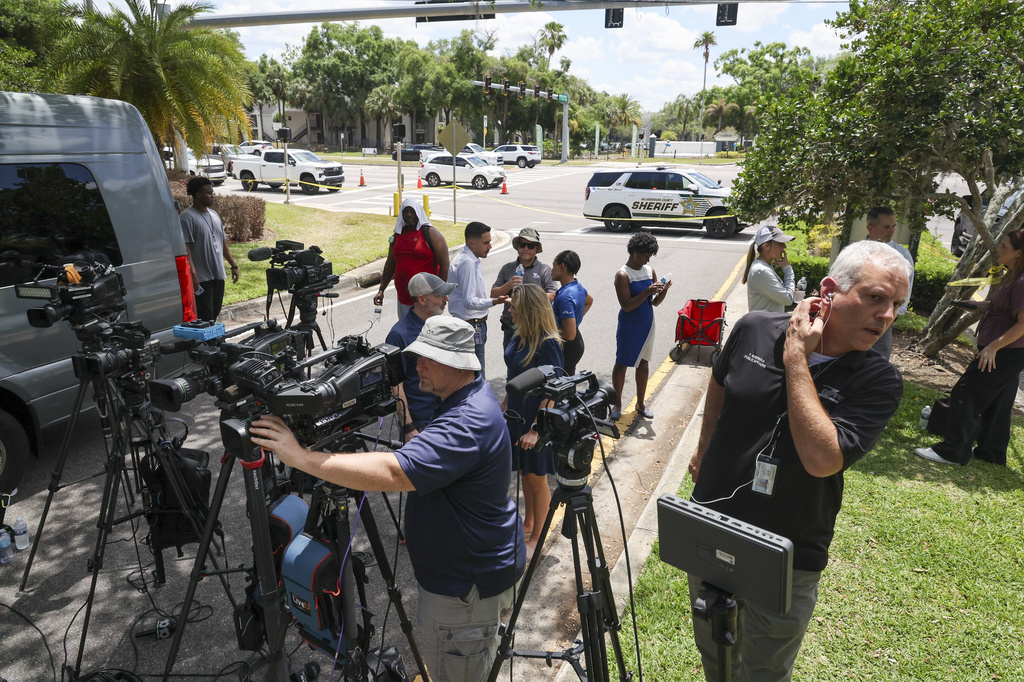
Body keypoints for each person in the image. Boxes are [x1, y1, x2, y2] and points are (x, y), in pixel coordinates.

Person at [248, 316, 525, 682]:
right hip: (476, 575)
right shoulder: (467, 396)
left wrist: (299, 457)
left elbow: (394, 474)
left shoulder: (468, 421)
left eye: (429, 358)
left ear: (460, 365)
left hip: (464, 592)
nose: (417, 366)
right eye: (417, 356)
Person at [686, 240, 912, 682]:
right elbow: (719, 383)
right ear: (830, 291)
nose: (887, 316)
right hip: (715, 522)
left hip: (789, 551)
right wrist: (705, 446)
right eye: (875, 298)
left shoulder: (878, 380)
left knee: (764, 670)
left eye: (897, 305)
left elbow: (821, 460)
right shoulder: (752, 328)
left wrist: (796, 358)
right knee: (714, 654)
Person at [915, 228, 1024, 466]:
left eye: (1004, 246)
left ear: (1019, 253)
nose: (998, 249)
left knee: (966, 391)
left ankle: (952, 451)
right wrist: (978, 306)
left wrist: (993, 348)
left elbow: (1023, 325)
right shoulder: (1012, 274)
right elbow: (1001, 307)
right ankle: (991, 453)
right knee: (1000, 399)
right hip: (1005, 349)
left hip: (1006, 350)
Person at [502, 284, 564, 555]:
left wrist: (537, 429)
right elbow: (513, 376)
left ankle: (538, 538)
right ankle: (529, 522)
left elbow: (553, 390)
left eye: (514, 306)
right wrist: (504, 404)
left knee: (537, 479)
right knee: (525, 475)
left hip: (536, 422)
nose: (509, 310)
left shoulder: (549, 343)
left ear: (527, 310)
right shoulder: (520, 336)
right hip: (516, 417)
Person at [386, 271, 456, 440]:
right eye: (440, 295)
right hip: (421, 424)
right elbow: (396, 387)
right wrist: (408, 427)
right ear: (422, 299)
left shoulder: (440, 325)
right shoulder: (398, 335)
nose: (446, 299)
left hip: (446, 415)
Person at [612, 232, 672, 421]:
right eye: (646, 255)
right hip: (630, 325)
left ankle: (640, 403)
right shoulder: (623, 274)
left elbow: (654, 303)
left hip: (647, 324)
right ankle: (617, 403)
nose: (648, 259)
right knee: (622, 364)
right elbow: (627, 305)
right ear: (635, 252)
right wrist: (647, 291)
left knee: (644, 364)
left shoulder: (649, 270)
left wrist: (663, 291)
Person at [447, 221, 510, 377]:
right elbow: (469, 302)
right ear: (471, 243)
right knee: (477, 374)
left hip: (474, 325)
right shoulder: (466, 263)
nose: (490, 246)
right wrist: (495, 301)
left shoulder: (470, 259)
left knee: (472, 373)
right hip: (471, 326)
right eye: (486, 242)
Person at [374, 198, 450, 320]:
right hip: (404, 297)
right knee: (407, 333)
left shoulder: (430, 233)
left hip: (428, 299)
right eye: (406, 212)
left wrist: (440, 293)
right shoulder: (397, 236)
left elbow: (445, 265)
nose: (409, 215)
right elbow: (390, 264)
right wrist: (381, 290)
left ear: (418, 213)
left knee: (427, 333)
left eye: (412, 211)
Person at [180, 176, 239, 321]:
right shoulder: (187, 217)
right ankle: (207, 343)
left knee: (215, 312)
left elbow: (222, 243)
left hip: (218, 275)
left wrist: (233, 265)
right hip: (201, 278)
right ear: (198, 195)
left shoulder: (214, 215)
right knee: (205, 317)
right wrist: (193, 274)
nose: (213, 196)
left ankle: (214, 343)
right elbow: (185, 248)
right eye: (209, 193)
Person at [491, 228, 558, 350]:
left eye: (531, 246)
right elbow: (493, 294)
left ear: (536, 248)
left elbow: (552, 295)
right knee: (512, 367)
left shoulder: (544, 270)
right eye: (522, 245)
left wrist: (526, 301)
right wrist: (508, 285)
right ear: (517, 247)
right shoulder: (507, 268)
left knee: (535, 367)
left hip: (535, 329)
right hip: (511, 328)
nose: (526, 249)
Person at [864, 207, 915, 361]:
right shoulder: (854, 251)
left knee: (879, 357)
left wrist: (896, 312)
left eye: (893, 226)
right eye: (886, 227)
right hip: (855, 312)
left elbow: (908, 285)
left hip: (884, 316)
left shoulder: (902, 255)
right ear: (870, 228)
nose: (891, 231)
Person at [550, 250, 593, 375]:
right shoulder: (577, 286)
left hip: (567, 347)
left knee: (562, 387)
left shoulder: (565, 296)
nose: (551, 270)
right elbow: (589, 301)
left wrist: (545, 329)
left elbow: (569, 335)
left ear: (562, 267)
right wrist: (574, 320)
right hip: (574, 344)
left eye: (554, 266)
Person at [743, 224, 796, 313]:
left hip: (768, 324)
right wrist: (787, 269)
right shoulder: (761, 270)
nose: (784, 246)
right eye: (780, 243)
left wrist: (787, 289)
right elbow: (787, 299)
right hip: (765, 326)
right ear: (766, 246)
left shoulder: (764, 266)